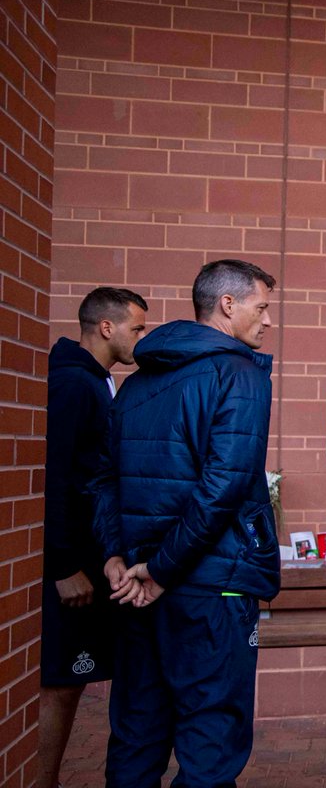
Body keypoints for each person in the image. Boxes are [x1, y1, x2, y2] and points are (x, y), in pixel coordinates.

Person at [91, 259, 280, 787]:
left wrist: (119, 558)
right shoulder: (238, 373)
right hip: (206, 589)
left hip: (137, 586)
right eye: (261, 307)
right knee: (210, 745)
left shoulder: (134, 384)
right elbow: (226, 486)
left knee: (136, 735)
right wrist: (162, 569)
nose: (267, 321)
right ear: (227, 305)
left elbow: (104, 480)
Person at [38, 287, 146, 788]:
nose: (140, 338)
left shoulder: (97, 383)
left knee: (71, 683)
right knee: (59, 685)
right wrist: (63, 566)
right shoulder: (74, 386)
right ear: (107, 328)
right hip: (69, 569)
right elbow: (51, 478)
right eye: (136, 328)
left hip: (89, 561)